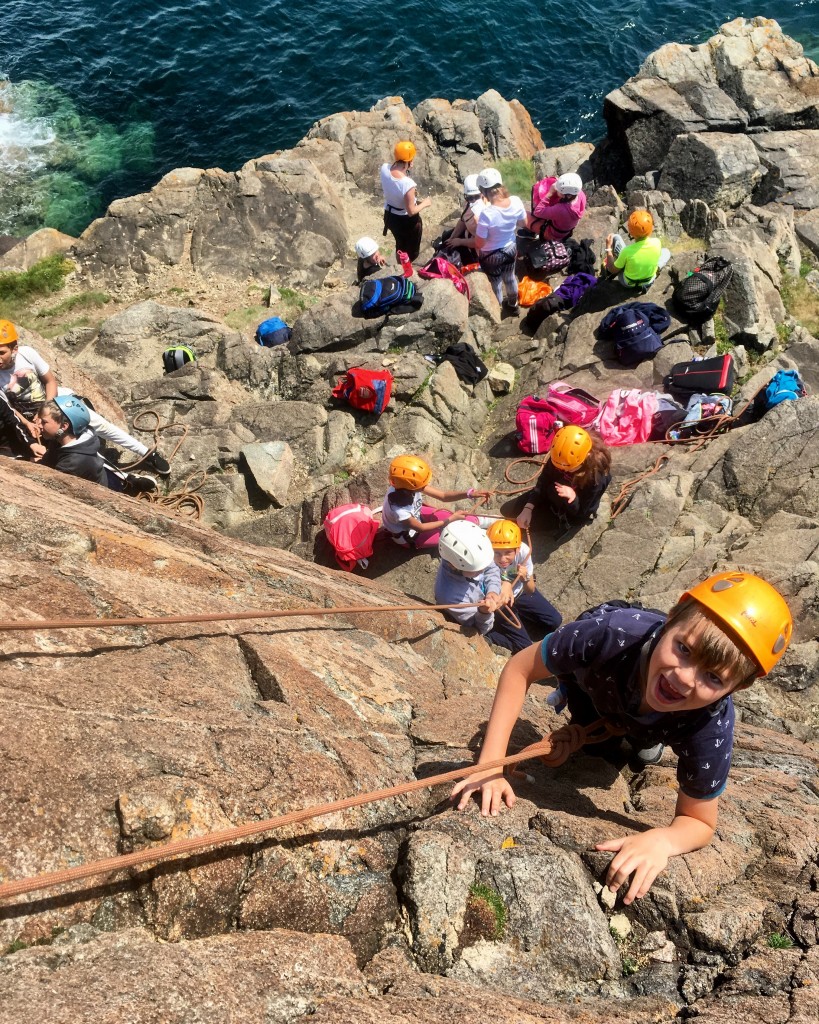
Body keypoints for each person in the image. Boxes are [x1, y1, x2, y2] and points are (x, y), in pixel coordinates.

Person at [451, 571, 793, 904]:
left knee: (641, 746)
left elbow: (699, 821)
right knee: (600, 745)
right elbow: (521, 668)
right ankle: (631, 732)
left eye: (714, 678)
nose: (683, 678)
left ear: (738, 687)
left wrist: (663, 840)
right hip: (599, 682)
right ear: (671, 618)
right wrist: (489, 766)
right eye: (684, 649)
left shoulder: (710, 721)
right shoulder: (611, 633)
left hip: (658, 714)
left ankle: (645, 737)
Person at [0, 321, 170, 475]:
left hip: (53, 399)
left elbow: (50, 381)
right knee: (71, 448)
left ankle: (147, 453)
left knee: (100, 424)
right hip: (31, 416)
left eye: (2, 352)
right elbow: (9, 409)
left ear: (14, 348)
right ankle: (122, 477)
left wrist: (45, 410)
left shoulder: (27, 354)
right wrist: (29, 423)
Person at [36, 396, 158, 493]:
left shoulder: (72, 462)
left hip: (107, 491)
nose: (39, 425)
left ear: (63, 426)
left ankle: (130, 484)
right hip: (103, 475)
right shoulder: (82, 440)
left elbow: (53, 487)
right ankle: (129, 480)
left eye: (44, 422)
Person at [448, 168, 527, 312]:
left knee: (496, 283)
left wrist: (466, 238)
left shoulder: (486, 214)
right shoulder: (516, 201)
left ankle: (497, 310)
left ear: (483, 192)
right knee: (510, 278)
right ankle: (513, 305)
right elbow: (523, 224)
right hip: (510, 248)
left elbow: (479, 243)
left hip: (490, 255)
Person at [381, 454, 491, 549]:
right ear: (410, 487)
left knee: (459, 519)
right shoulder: (400, 511)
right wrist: (450, 520)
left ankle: (483, 522)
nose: (425, 486)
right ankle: (484, 535)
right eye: (422, 484)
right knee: (454, 536)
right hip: (410, 534)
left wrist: (469, 494)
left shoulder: (402, 486)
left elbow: (443, 496)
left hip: (417, 514)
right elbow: (421, 528)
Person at [515, 427, 611, 531]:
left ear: (585, 458)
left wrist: (573, 498)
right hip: (553, 492)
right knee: (514, 512)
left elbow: (582, 513)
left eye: (568, 467)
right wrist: (528, 507)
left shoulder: (596, 478)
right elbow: (544, 480)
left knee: (530, 526)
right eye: (560, 467)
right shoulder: (560, 456)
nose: (563, 470)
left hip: (574, 509)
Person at [487, 520, 562, 649]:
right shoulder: (485, 556)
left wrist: (526, 578)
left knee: (554, 621)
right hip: (500, 600)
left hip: (520, 593)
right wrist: (504, 584)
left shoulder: (523, 552)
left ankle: (518, 615)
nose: (502, 559)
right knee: (524, 646)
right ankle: (488, 634)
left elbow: (530, 590)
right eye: (497, 553)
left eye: (508, 553)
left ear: (517, 549)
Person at [434, 520, 507, 644]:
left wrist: (493, 591)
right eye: (478, 570)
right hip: (482, 618)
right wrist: (484, 612)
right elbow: (478, 629)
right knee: (521, 643)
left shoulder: (473, 553)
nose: (483, 570)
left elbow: (491, 568)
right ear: (453, 566)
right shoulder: (450, 597)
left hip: (489, 600)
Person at [380, 141, 431, 264]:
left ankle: (399, 265)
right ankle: (409, 268)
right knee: (411, 250)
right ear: (409, 161)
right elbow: (411, 211)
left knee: (400, 244)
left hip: (390, 216)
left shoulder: (384, 169)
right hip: (406, 221)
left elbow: (395, 189)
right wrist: (425, 203)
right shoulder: (408, 183)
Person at [604, 210, 671, 290]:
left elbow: (612, 270)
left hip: (628, 283)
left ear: (631, 232)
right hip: (648, 281)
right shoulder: (657, 243)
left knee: (615, 237)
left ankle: (621, 263)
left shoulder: (627, 251)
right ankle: (656, 269)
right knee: (666, 251)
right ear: (650, 229)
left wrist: (608, 247)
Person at [440, 174, 486, 266]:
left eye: (476, 197)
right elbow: (463, 220)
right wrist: (452, 238)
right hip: (468, 235)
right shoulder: (468, 203)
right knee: (446, 239)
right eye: (469, 197)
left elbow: (480, 242)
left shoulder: (485, 212)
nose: (473, 200)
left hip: (479, 249)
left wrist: (459, 242)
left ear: (482, 193)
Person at [529, 172, 587, 242]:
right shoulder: (581, 194)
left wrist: (550, 193)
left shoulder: (561, 209)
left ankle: (531, 234)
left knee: (524, 215)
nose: (556, 190)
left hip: (554, 234)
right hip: (567, 230)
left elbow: (537, 212)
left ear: (568, 196)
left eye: (558, 190)